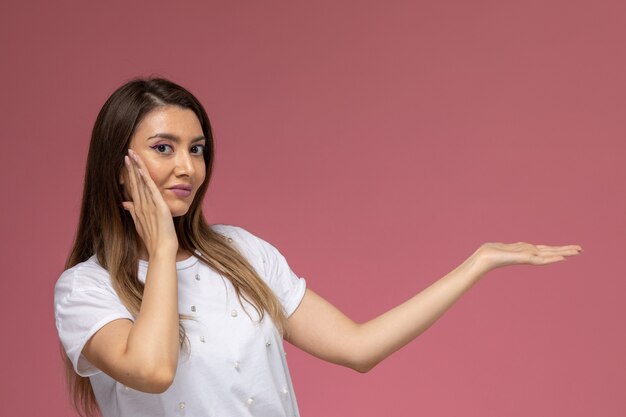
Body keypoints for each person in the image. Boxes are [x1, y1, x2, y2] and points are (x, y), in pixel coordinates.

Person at [53, 77, 582, 417]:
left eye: (197, 149)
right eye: (163, 148)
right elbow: (153, 370)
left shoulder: (241, 252)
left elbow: (358, 348)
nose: (187, 167)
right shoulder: (85, 289)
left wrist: (478, 262)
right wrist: (162, 251)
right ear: (117, 164)